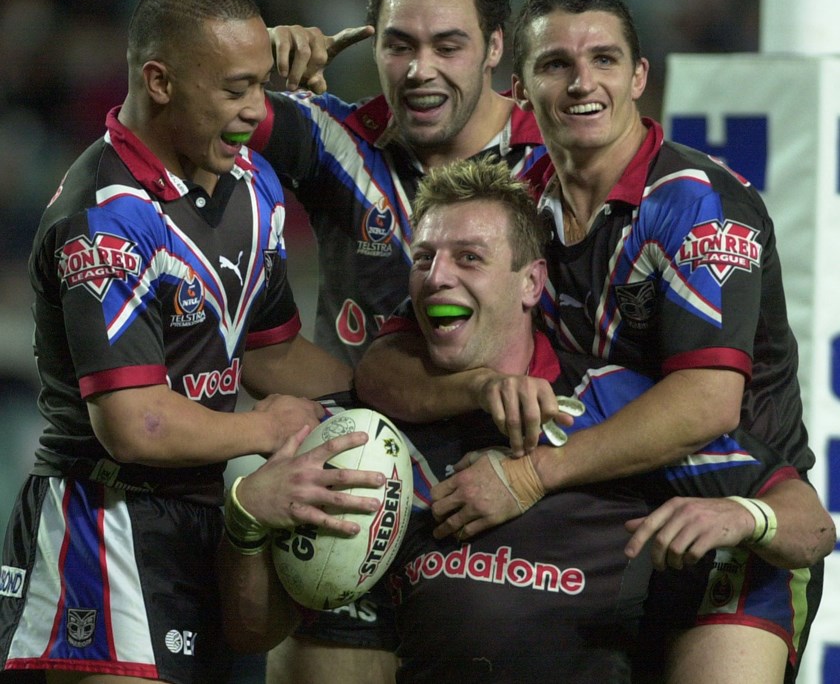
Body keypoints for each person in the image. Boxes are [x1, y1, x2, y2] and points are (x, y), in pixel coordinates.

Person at [354, 0, 832, 684]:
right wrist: (486, 386)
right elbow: (386, 364)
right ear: (520, 86)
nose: (583, 83)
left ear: (638, 75)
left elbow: (707, 403)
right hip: (596, 513)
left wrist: (531, 473)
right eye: (556, 64)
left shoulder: (698, 206)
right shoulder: (506, 193)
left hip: (730, 506)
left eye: (604, 60)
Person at [218, 158, 834, 683]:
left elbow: (811, 528)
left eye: (470, 257)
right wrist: (248, 516)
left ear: (532, 283)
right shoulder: (362, 435)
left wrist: (745, 514)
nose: (438, 278)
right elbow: (252, 631)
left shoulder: (613, 403)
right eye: (424, 258)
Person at [0, 0, 386, 684]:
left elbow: (268, 356)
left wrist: (382, 395)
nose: (253, 113)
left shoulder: (254, 186)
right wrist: (266, 431)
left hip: (209, 517)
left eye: (260, 88)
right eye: (234, 89)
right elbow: (134, 422)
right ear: (160, 82)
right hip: (104, 522)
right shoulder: (106, 218)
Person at [254, 0, 545, 367]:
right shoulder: (334, 139)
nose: (418, 70)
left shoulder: (552, 161)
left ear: (494, 46)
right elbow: (193, 99)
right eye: (400, 46)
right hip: (359, 425)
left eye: (447, 47)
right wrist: (251, 52)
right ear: (374, 48)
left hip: (508, 425)